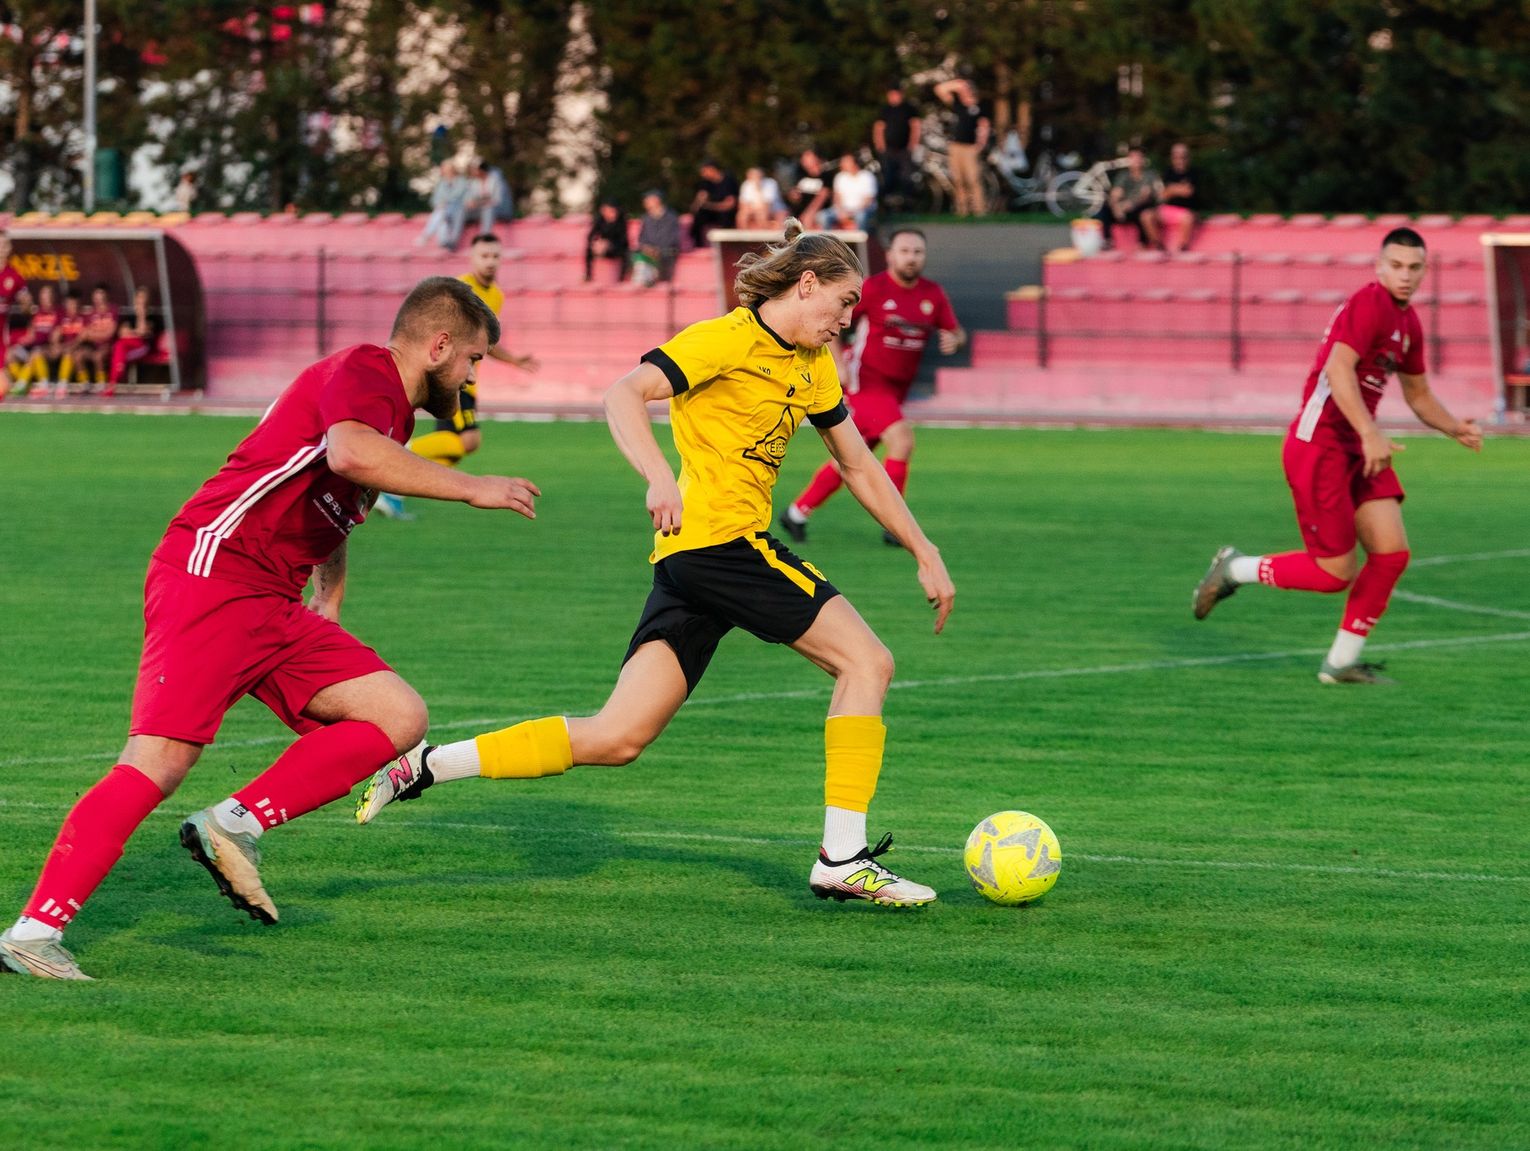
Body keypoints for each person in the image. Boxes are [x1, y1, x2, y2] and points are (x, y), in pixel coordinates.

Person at [355, 219, 957, 909]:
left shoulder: (812, 365)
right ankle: (842, 856)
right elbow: (623, 394)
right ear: (808, 283)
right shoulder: (726, 338)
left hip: (691, 562)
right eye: (845, 301)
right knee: (867, 662)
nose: (849, 318)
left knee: (616, 736)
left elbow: (857, 463)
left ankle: (425, 765)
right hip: (720, 545)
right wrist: (657, 475)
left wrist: (924, 546)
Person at [0, 277, 542, 980]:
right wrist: (475, 485)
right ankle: (32, 933)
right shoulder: (364, 371)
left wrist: (330, 599)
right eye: (472, 358)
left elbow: (338, 497)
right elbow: (348, 454)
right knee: (158, 761)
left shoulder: (391, 416)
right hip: (215, 574)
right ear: (437, 345)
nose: (472, 376)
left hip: (272, 599)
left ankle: (234, 822)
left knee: (395, 713)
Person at [1192, 228, 1483, 684]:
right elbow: (1338, 367)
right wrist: (1370, 433)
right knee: (1333, 573)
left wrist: (1453, 428)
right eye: (1397, 266)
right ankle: (1236, 568)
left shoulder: (1408, 324)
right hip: (1321, 445)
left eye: (1414, 268)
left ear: (1425, 271)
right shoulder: (1371, 304)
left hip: (1357, 447)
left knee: (1391, 554)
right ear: (1379, 266)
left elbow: (1419, 392)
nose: (1405, 276)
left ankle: (1341, 663)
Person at [781, 227, 963, 545]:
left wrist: (954, 339)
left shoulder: (932, 294)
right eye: (905, 251)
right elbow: (832, 321)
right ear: (891, 255)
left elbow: (955, 331)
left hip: (896, 391)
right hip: (866, 382)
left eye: (918, 251)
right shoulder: (873, 289)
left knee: (852, 455)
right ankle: (896, 526)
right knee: (902, 442)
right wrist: (837, 364)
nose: (911, 257)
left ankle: (796, 513)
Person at [375, 234, 539, 520]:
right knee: (467, 441)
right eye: (484, 256)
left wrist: (513, 360)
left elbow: (483, 342)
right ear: (472, 259)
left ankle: (392, 489)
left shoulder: (496, 295)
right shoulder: (461, 292)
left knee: (454, 452)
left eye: (495, 256)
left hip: (469, 380)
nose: (490, 262)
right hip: (452, 376)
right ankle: (393, 460)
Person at [933, 77, 990, 216]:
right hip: (955, 146)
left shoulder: (979, 107)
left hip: (970, 147)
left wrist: (980, 144)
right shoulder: (957, 104)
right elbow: (939, 89)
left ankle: (979, 210)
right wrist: (955, 84)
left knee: (973, 179)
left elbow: (984, 126)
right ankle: (962, 210)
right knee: (958, 180)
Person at [1100, 147, 1161, 250]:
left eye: (1138, 157)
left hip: (1139, 208)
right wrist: (1116, 207)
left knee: (1143, 210)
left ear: (1143, 159)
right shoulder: (1123, 176)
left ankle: (1142, 243)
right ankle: (1108, 241)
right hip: (1123, 210)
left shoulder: (1150, 175)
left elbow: (1145, 197)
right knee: (1105, 209)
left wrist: (1128, 205)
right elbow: (1115, 194)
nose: (1136, 160)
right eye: (1133, 158)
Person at [873, 85, 922, 212]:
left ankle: (907, 204)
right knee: (888, 176)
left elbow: (915, 126)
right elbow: (879, 128)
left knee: (906, 177)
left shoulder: (909, 108)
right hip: (889, 149)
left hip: (904, 149)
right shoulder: (885, 110)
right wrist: (880, 145)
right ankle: (887, 204)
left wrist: (913, 144)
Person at [106, 284, 159, 396]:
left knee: (119, 352)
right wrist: (136, 333)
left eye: (143, 298)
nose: (141, 301)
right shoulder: (129, 315)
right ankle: (114, 381)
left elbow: (143, 332)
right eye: (139, 297)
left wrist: (141, 315)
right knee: (119, 346)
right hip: (127, 346)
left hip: (143, 347)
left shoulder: (152, 316)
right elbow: (122, 333)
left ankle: (112, 383)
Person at [415, 161, 471, 252]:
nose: (446, 172)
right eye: (444, 170)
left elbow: (457, 196)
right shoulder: (442, 183)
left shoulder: (461, 181)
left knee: (441, 213)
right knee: (441, 216)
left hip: (458, 210)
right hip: (444, 210)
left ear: (453, 170)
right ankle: (443, 242)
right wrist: (439, 204)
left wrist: (444, 202)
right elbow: (434, 199)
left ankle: (426, 236)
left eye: (448, 170)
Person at [1157, 142, 1200, 254]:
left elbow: (1188, 192)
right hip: (1168, 209)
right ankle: (1158, 246)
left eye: (1183, 156)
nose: (1179, 159)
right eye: (1176, 156)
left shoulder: (1194, 173)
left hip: (1187, 210)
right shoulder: (1167, 172)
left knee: (1187, 217)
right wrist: (1177, 189)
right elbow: (1162, 195)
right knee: (1148, 216)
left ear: (1188, 157)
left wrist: (1172, 189)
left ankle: (1183, 247)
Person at [75, 283, 119, 390]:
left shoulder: (112, 311)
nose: (99, 299)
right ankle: (85, 383)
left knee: (98, 356)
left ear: (106, 296)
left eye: (101, 296)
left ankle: (102, 383)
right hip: (93, 346)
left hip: (108, 346)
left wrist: (92, 335)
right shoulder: (91, 313)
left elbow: (110, 334)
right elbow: (85, 333)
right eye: (97, 296)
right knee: (78, 355)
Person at [634, 190, 681, 287]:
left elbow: (672, 239)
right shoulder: (646, 218)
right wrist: (646, 248)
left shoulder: (671, 217)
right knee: (636, 255)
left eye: (647, 200)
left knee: (662, 256)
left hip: (665, 252)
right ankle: (646, 279)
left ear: (657, 200)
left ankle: (649, 278)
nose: (645, 203)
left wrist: (657, 249)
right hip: (649, 252)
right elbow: (642, 239)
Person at [821, 153, 878, 232]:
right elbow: (837, 198)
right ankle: (828, 242)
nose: (841, 164)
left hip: (862, 210)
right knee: (823, 216)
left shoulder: (867, 177)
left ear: (854, 163)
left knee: (861, 217)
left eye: (845, 162)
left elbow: (868, 200)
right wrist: (841, 211)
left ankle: (859, 243)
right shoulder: (840, 177)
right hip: (843, 209)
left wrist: (852, 212)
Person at [689, 159, 739, 248]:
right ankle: (698, 246)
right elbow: (698, 204)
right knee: (699, 216)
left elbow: (730, 205)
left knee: (725, 215)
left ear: (712, 169)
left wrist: (709, 205)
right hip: (714, 211)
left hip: (727, 212)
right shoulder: (706, 183)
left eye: (704, 171)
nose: (703, 175)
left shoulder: (728, 181)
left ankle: (726, 246)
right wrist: (699, 201)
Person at [49, 289, 87, 396]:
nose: (72, 306)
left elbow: (82, 338)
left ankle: (68, 384)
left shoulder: (83, 317)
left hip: (81, 348)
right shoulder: (62, 317)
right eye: (69, 303)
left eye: (74, 304)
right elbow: (55, 335)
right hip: (65, 347)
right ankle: (44, 383)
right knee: (38, 352)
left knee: (71, 353)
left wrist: (68, 347)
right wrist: (57, 345)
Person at [584, 199, 632, 282]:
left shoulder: (622, 221)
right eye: (606, 211)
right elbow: (590, 235)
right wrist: (596, 242)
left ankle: (621, 279)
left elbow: (623, 241)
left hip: (617, 247)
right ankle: (588, 275)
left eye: (611, 211)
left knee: (626, 253)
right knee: (588, 250)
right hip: (601, 247)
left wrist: (609, 244)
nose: (608, 213)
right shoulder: (600, 220)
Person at [784, 148, 832, 228]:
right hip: (799, 213)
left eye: (807, 157)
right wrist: (793, 196)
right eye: (803, 158)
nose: (804, 160)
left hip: (817, 212)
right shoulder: (800, 175)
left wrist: (810, 213)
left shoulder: (826, 175)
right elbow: (793, 194)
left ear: (816, 158)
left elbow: (822, 196)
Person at [473, 160, 513, 235]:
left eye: (475, 170)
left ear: (481, 170)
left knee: (487, 208)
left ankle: (485, 236)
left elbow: (496, 200)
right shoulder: (474, 182)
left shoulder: (496, 180)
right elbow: (473, 199)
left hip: (498, 209)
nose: (474, 172)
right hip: (480, 208)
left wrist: (480, 201)